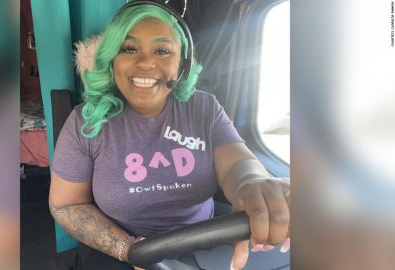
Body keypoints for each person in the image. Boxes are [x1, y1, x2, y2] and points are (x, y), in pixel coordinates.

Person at [49, 2, 290, 270]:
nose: (146, 62)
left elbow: (236, 164)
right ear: (112, 59)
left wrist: (252, 181)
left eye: (163, 50)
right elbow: (66, 204)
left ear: (182, 65)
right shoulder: (85, 122)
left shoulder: (204, 108)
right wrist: (130, 250)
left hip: (209, 243)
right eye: (129, 48)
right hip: (122, 250)